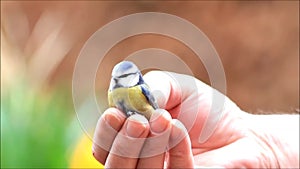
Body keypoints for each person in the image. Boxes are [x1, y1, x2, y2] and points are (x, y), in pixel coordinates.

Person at [92, 71, 299, 168]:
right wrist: (263, 148)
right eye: (116, 79)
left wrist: (267, 150)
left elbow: (154, 106)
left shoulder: (140, 88)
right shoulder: (113, 94)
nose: (120, 83)